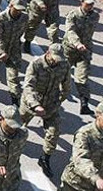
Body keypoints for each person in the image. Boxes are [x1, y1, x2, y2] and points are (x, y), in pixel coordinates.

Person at [19, 43, 70, 178]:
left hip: (51, 104)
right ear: (48, 53)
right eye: (54, 58)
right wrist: (35, 105)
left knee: (54, 132)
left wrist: (59, 100)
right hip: (31, 103)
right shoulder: (36, 64)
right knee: (17, 126)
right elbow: (28, 87)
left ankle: (45, 158)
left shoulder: (64, 65)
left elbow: (66, 85)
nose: (56, 61)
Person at [63, 0, 100, 115]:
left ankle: (84, 104)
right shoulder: (72, 15)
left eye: (91, 4)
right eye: (87, 4)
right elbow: (70, 31)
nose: (89, 6)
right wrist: (77, 44)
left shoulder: (95, 16)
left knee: (82, 78)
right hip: (70, 49)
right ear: (82, 2)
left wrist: (84, 47)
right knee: (62, 73)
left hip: (84, 51)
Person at [0, 0, 28, 105]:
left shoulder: (24, 18)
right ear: (10, 6)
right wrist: (0, 52)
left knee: (13, 76)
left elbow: (21, 32)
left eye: (21, 10)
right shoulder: (1, 18)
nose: (18, 12)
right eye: (16, 9)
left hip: (14, 48)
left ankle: (15, 101)